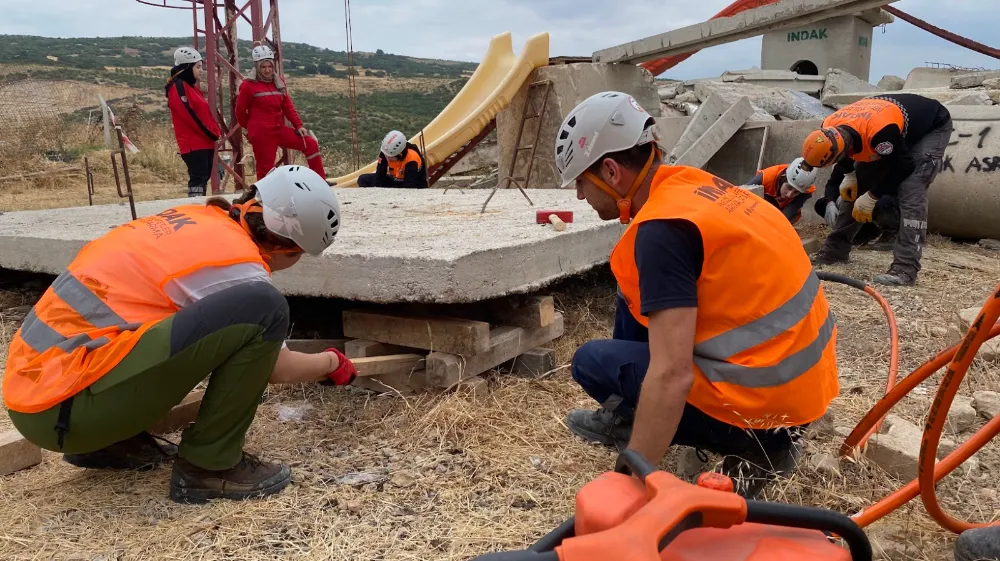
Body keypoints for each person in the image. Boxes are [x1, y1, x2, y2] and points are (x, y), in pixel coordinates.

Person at [2, 165, 356, 504]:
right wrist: (330, 362)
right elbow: (279, 369)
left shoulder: (198, 220)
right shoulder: (236, 263)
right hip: (67, 409)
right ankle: (210, 465)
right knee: (265, 307)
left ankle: (110, 442)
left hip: (36, 393)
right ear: (288, 246)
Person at [554, 91, 839, 498]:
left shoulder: (661, 230)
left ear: (612, 171)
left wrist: (633, 483)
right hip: (799, 391)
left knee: (590, 361)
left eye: (581, 182)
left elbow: (672, 374)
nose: (580, 196)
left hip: (763, 412)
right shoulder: (695, 187)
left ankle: (758, 449)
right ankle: (629, 412)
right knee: (631, 285)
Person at [801, 93, 953, 286]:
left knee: (911, 190)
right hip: (887, 127)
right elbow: (843, 160)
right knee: (856, 187)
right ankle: (835, 250)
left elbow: (904, 166)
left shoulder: (881, 135)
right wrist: (849, 175)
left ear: (843, 149)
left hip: (931, 125)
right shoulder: (829, 126)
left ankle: (905, 269)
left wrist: (873, 195)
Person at [235, 45, 328, 183]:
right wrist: (251, 129)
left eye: (270, 66)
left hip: (278, 128)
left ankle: (321, 181)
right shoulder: (248, 85)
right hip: (262, 133)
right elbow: (240, 111)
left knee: (310, 144)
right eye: (263, 67)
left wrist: (299, 126)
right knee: (265, 169)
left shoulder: (279, 83)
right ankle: (264, 197)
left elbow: (287, 106)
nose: (267, 70)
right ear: (257, 67)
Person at [166, 46, 221, 197]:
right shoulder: (178, 87)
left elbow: (203, 114)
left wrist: (213, 133)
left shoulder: (190, 87)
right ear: (187, 68)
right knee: (198, 179)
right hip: (194, 143)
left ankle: (198, 206)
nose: (201, 70)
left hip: (204, 141)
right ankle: (195, 206)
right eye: (198, 67)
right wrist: (211, 133)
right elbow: (190, 116)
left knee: (202, 178)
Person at [745, 157, 817, 225]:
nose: (789, 195)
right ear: (783, 177)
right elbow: (742, 194)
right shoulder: (766, 177)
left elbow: (790, 211)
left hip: (780, 209)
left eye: (796, 192)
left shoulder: (805, 191)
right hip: (761, 206)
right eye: (789, 187)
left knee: (787, 219)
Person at [357, 130, 428, 188]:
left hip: (413, 183)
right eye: (386, 155)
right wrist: (377, 190)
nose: (387, 158)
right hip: (395, 180)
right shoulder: (386, 152)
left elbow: (409, 187)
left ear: (399, 154)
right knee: (363, 179)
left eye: (390, 157)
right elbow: (380, 174)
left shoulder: (412, 159)